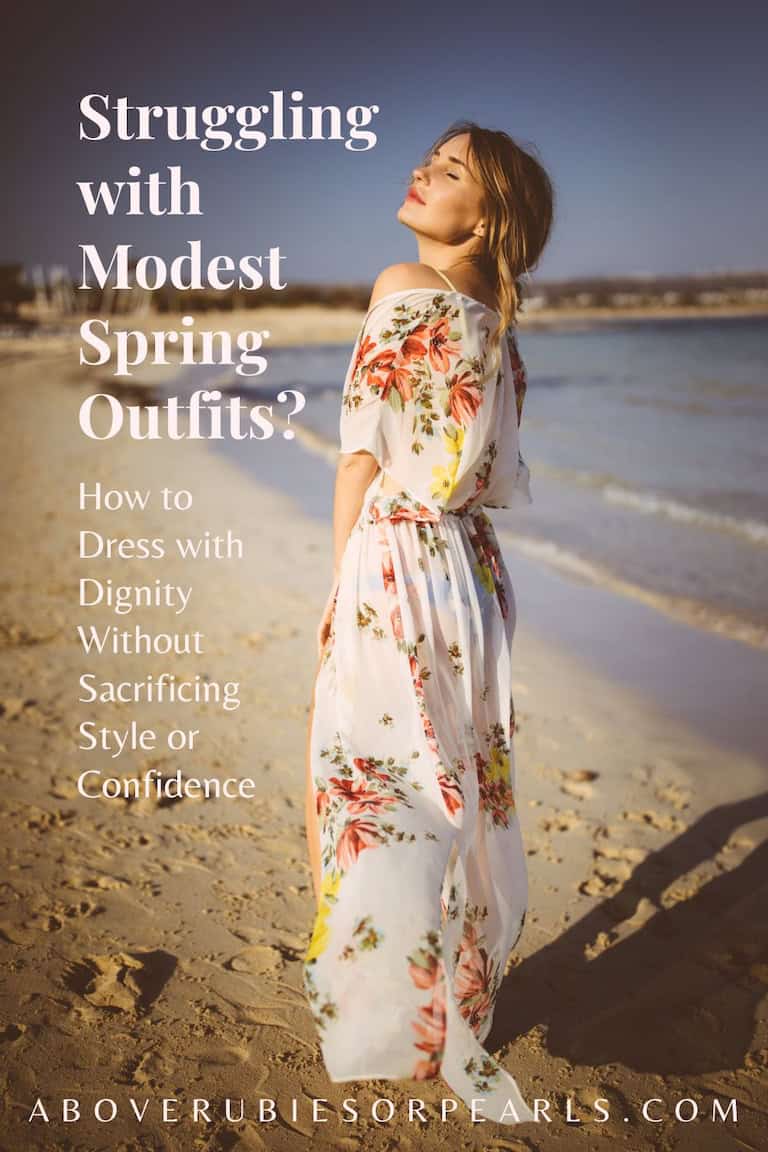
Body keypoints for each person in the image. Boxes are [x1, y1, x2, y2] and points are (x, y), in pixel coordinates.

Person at [303, 120, 554, 1125]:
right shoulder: (501, 324)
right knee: (460, 780)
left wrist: (340, 582)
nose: (422, 171)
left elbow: (360, 454)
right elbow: (495, 474)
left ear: (485, 217)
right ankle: (453, 998)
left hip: (399, 556)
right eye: (431, 158)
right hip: (472, 573)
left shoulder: (404, 282)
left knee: (368, 776)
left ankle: (385, 1012)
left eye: (449, 170)